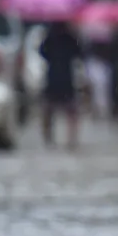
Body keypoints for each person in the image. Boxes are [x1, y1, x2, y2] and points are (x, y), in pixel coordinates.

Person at [38, 21, 84, 149]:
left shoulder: (51, 37)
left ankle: (49, 137)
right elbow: (79, 53)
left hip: (54, 77)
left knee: (50, 110)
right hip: (65, 77)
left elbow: (42, 52)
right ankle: (71, 138)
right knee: (68, 110)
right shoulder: (69, 38)